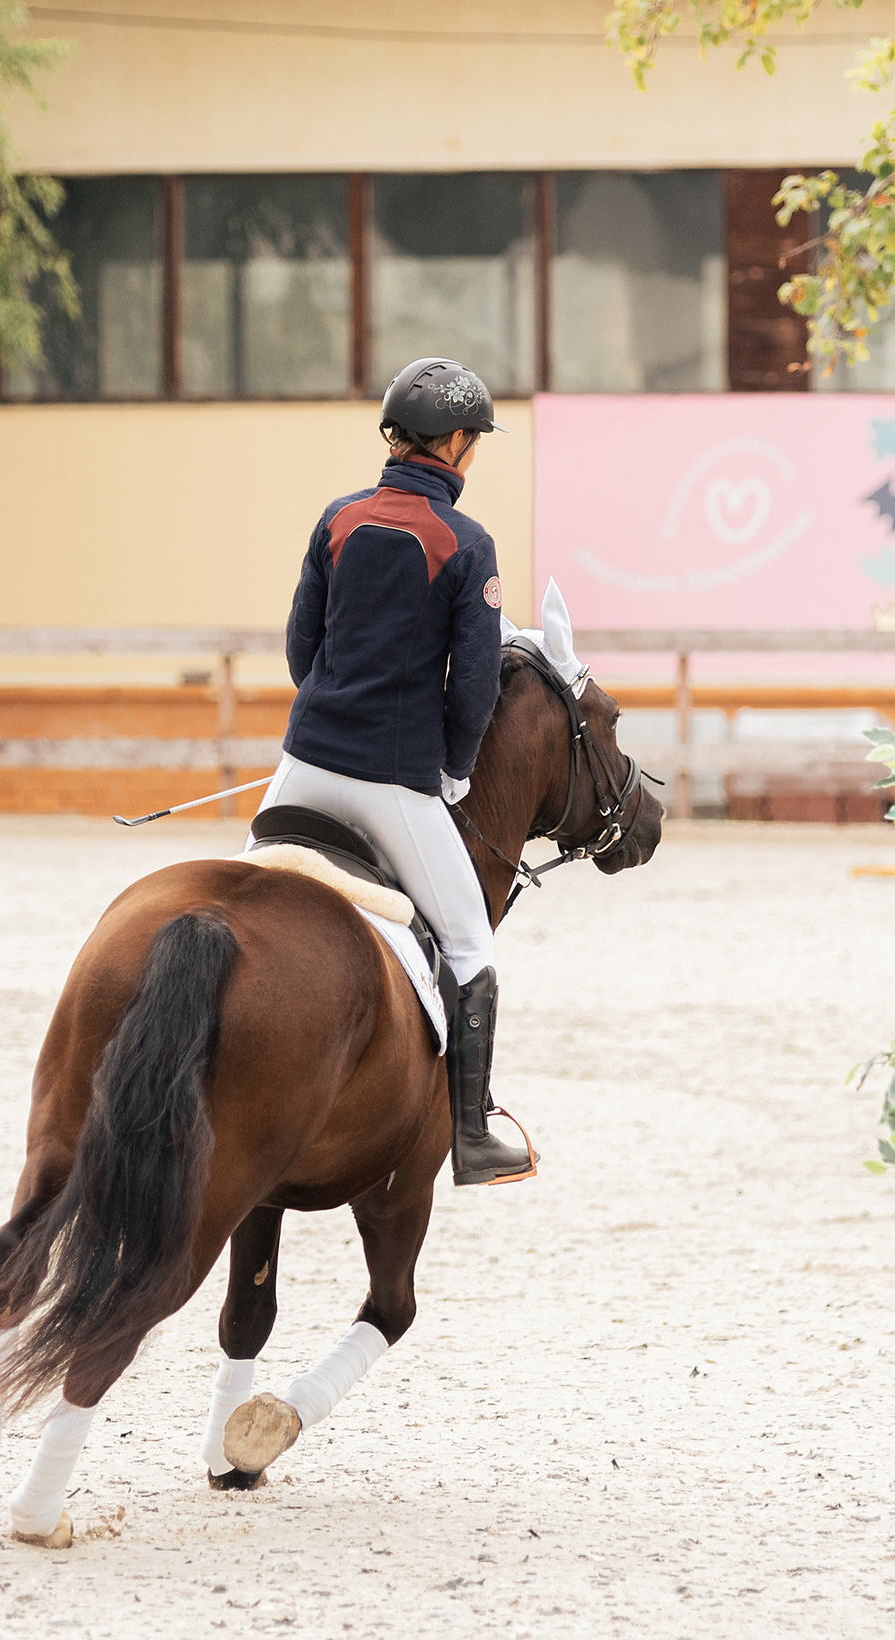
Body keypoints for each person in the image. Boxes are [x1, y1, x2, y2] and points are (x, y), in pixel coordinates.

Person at [259, 356, 532, 1187]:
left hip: (299, 771)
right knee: (472, 946)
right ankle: (473, 1135)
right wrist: (450, 774)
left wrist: (334, 719)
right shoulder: (467, 543)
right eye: (472, 443)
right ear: (452, 445)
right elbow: (478, 689)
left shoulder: (337, 519)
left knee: (240, 898)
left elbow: (301, 653)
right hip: (393, 787)